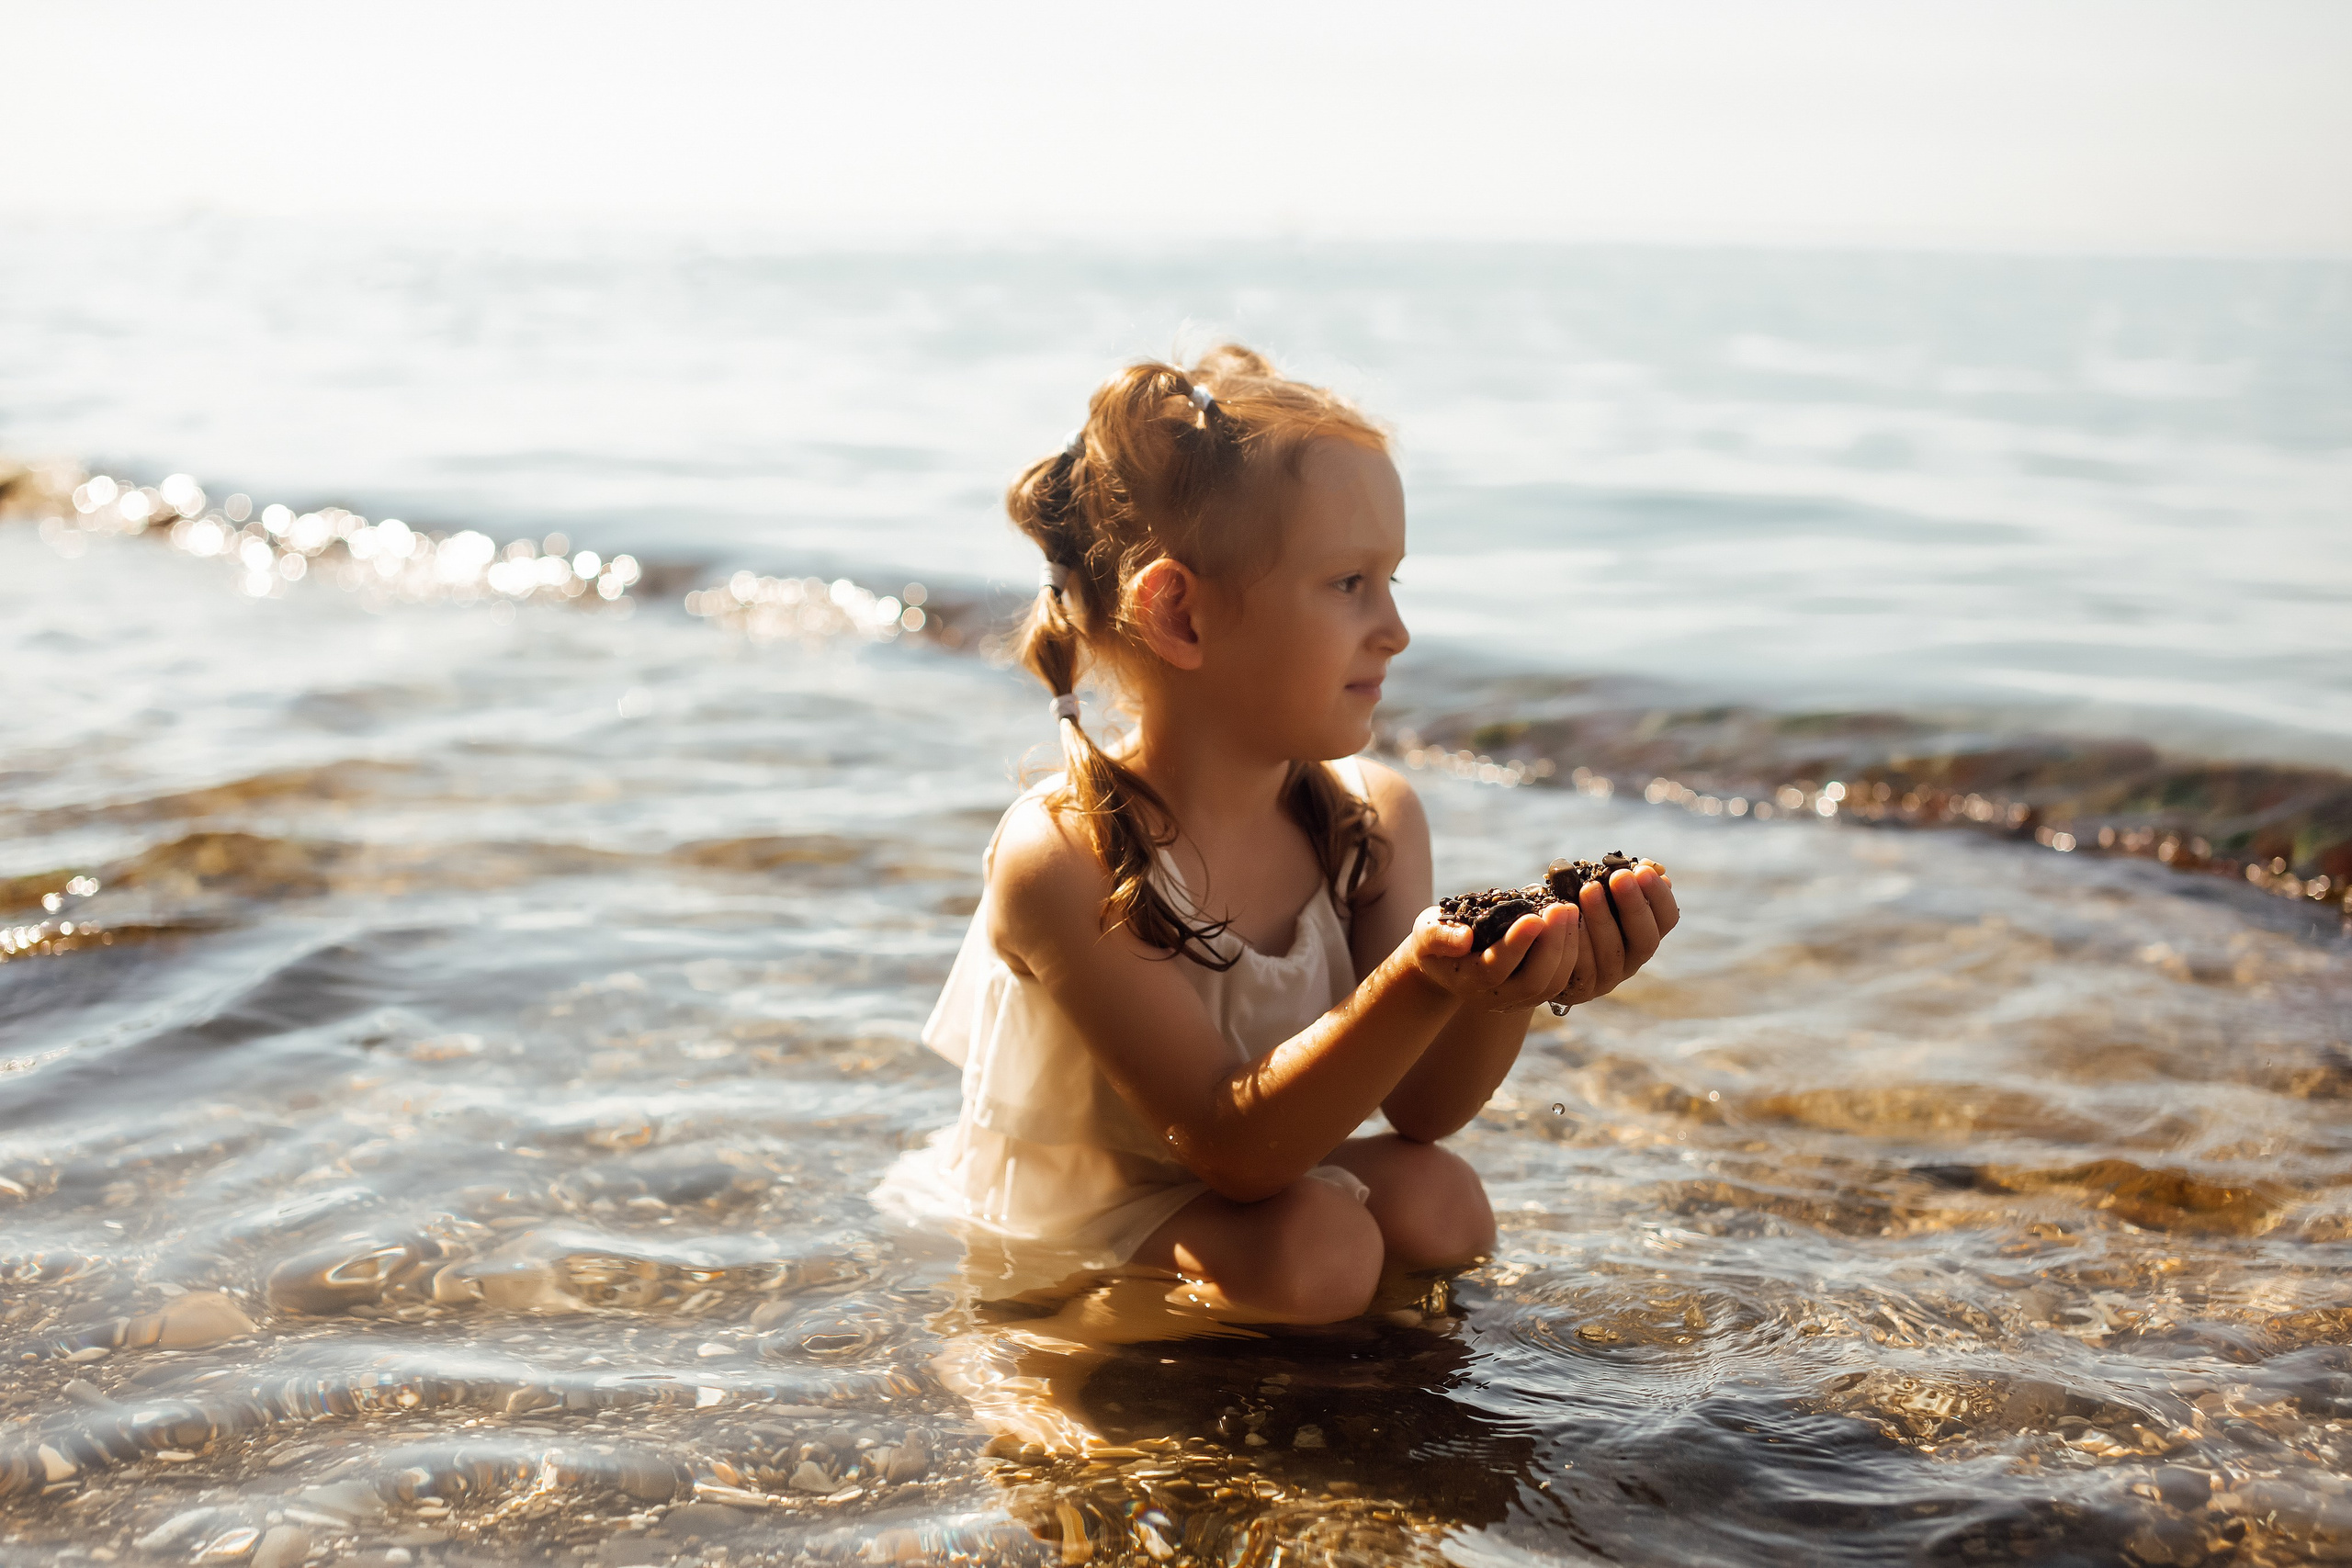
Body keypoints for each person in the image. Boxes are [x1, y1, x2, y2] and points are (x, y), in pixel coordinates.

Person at [890, 346, 1678, 1327]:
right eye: (1349, 583)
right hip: (1074, 1226)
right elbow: (1229, 1146)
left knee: (1441, 1201)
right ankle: (1138, 1381)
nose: (1394, 629)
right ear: (1180, 614)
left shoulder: (1370, 817)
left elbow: (1423, 1110)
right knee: (1317, 1250)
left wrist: (1508, 986)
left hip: (1253, 1196)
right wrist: (1418, 977)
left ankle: (1343, 1376)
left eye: (1392, 580)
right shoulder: (1064, 853)